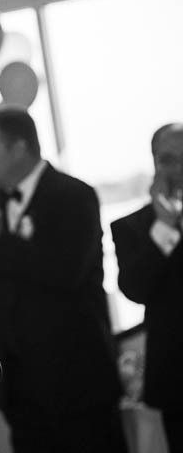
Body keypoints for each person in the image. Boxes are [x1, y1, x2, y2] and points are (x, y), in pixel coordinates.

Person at [0, 106, 125, 452]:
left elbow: (66, 272)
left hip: (79, 383)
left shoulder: (75, 196)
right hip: (23, 393)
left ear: (19, 148)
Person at [111, 123, 183, 452]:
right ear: (154, 162)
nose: (178, 168)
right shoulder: (131, 227)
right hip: (177, 378)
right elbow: (134, 288)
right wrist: (165, 227)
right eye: (168, 159)